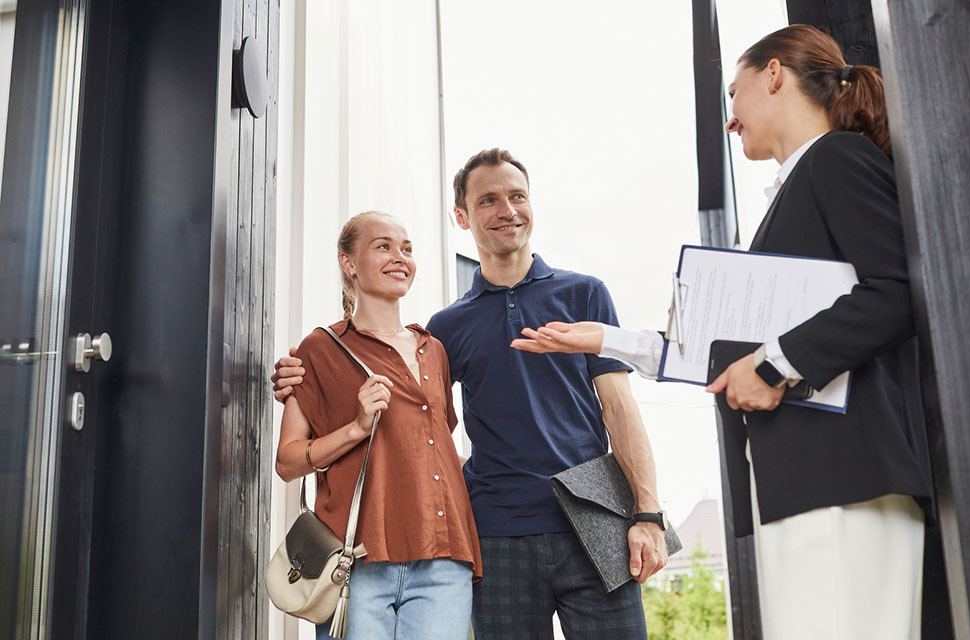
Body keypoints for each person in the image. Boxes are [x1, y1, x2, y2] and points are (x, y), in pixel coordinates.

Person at [512, 25, 934, 640]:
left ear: (774, 75)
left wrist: (772, 366)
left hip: (846, 480)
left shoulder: (838, 159)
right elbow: (717, 349)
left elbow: (895, 291)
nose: (730, 119)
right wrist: (604, 340)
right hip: (805, 483)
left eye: (733, 94)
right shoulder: (798, 187)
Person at [274, 150, 668, 640]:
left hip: (595, 523)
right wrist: (299, 375)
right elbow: (422, 423)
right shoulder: (446, 329)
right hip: (495, 533)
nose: (508, 210)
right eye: (489, 200)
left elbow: (621, 411)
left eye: (517, 196)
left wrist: (647, 514)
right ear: (462, 217)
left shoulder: (584, 294)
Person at [274, 211, 481, 640]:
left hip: (444, 556)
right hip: (357, 562)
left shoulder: (434, 350)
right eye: (383, 246)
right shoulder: (319, 349)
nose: (399, 256)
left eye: (406, 248)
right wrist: (355, 427)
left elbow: (431, 451)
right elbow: (288, 462)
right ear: (348, 263)